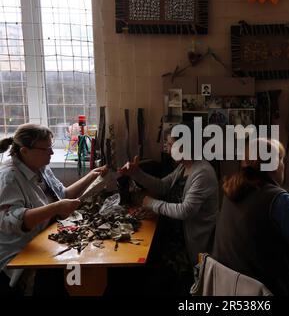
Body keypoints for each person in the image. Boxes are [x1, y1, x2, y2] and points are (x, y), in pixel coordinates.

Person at [212, 138, 289, 295]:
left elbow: (258, 228)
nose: (283, 165)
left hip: (228, 286)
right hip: (263, 290)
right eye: (282, 160)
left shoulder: (231, 190)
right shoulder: (281, 199)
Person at [0, 123, 107, 296]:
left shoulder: (41, 167)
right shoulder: (8, 177)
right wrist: (56, 208)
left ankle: (78, 289)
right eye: (46, 149)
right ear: (25, 151)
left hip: (45, 240)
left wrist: (92, 175)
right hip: (21, 253)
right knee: (71, 269)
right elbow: (13, 222)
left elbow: (62, 195)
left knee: (82, 260)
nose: (51, 153)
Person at [118, 124, 219, 294]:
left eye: (171, 144)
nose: (168, 148)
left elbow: (185, 211)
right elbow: (162, 186)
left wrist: (152, 203)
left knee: (157, 278)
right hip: (173, 235)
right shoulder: (183, 167)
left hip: (188, 246)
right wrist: (136, 173)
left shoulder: (202, 173)